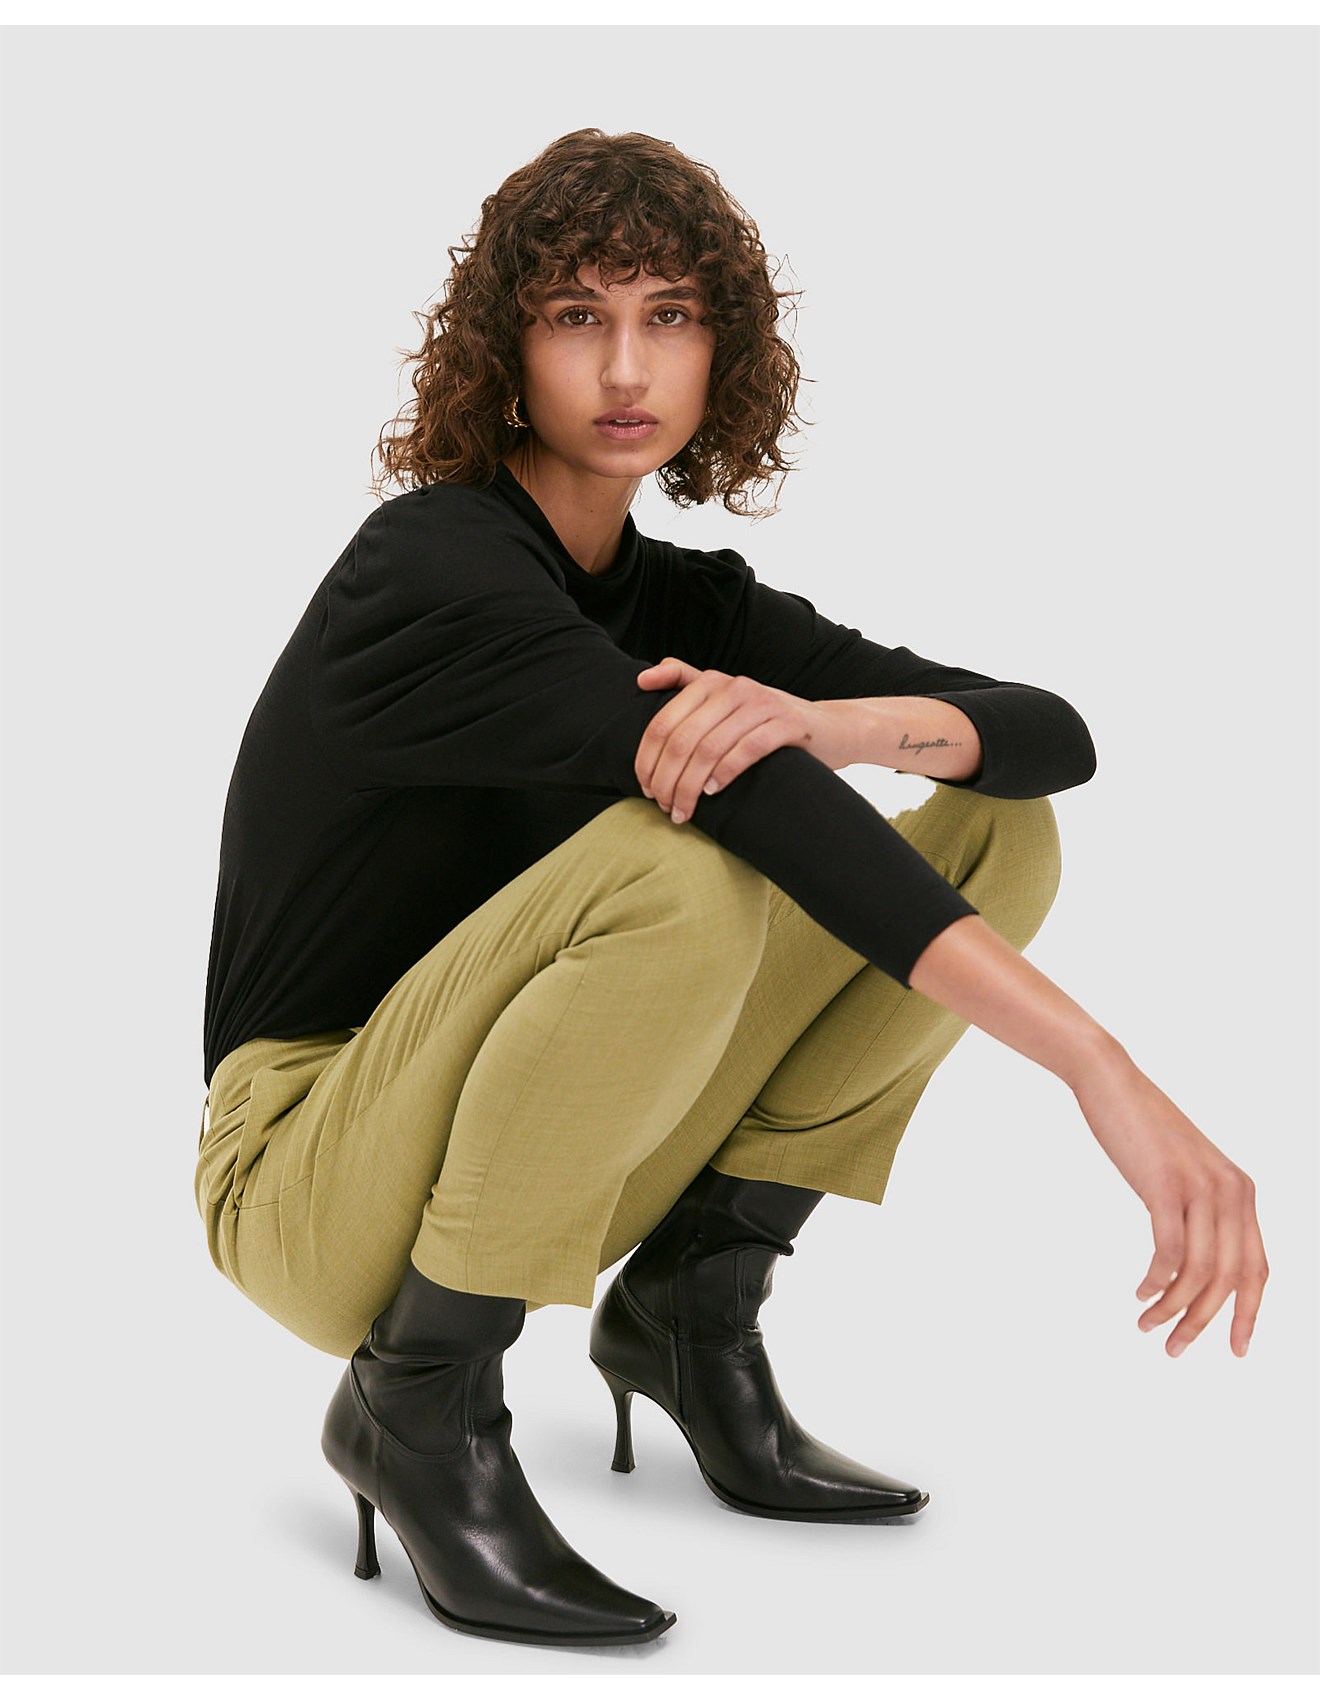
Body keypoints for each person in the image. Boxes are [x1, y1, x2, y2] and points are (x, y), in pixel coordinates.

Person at [194, 127, 1269, 1651]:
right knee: (678, 863)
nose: (626, 365)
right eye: (577, 316)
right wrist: (1098, 1065)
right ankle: (417, 1401)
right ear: (507, 352)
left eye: (671, 316)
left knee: (995, 828)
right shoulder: (429, 565)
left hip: (531, 1149)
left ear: (725, 355)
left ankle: (693, 1314)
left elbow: (1047, 735)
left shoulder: (690, 603)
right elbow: (740, 803)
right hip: (306, 1165)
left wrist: (821, 720)